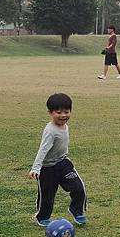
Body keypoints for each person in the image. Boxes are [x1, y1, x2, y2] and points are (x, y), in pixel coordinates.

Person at [29, 93, 87, 227]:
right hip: (47, 168)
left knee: (79, 188)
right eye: (58, 112)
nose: (63, 115)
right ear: (50, 112)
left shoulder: (65, 126)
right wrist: (36, 168)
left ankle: (76, 210)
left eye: (66, 112)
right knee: (47, 196)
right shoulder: (50, 131)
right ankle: (42, 217)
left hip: (63, 163)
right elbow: (42, 150)